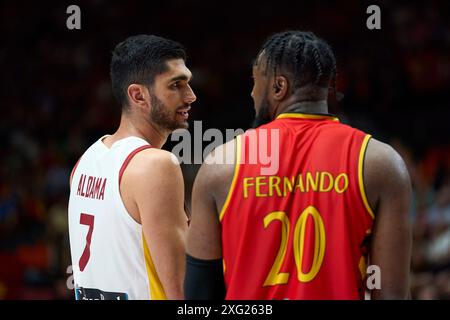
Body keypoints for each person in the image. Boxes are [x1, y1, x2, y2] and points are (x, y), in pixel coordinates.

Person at [185, 31, 412, 300]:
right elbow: (391, 295)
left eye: (256, 82)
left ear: (279, 87)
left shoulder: (220, 165)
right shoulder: (381, 163)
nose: (252, 92)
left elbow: (200, 295)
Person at [68, 34, 196, 300]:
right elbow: (184, 293)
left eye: (188, 84)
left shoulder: (85, 162)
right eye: (177, 85)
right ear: (138, 95)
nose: (191, 96)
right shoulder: (155, 165)